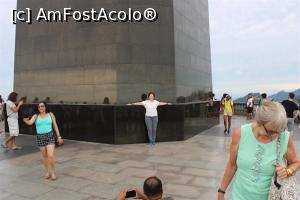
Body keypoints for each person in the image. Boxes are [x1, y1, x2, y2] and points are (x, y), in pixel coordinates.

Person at [217, 101, 300, 200]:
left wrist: (288, 171)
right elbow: (231, 165)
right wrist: (221, 192)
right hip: (238, 196)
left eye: (279, 131)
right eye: (271, 131)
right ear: (259, 122)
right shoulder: (241, 133)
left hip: (270, 197)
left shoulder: (284, 137)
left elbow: (296, 162)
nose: (275, 135)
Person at [23, 101, 63, 180]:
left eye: (42, 106)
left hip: (50, 136)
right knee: (45, 156)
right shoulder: (36, 115)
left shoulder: (50, 114)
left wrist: (59, 137)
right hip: (40, 137)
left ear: (45, 107)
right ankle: (47, 172)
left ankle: (53, 172)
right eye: (39, 107)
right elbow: (30, 122)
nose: (40, 108)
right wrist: (25, 120)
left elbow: (55, 125)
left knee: (50, 155)